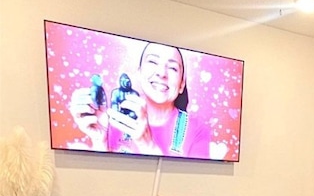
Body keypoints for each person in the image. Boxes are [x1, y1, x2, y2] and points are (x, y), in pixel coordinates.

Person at [68, 42, 213, 158]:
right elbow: (101, 182)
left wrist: (148, 145)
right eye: (153, 62)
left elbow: (190, 186)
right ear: (139, 73)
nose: (161, 73)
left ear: (181, 84)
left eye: (173, 68)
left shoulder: (198, 130)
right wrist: (99, 140)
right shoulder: (113, 120)